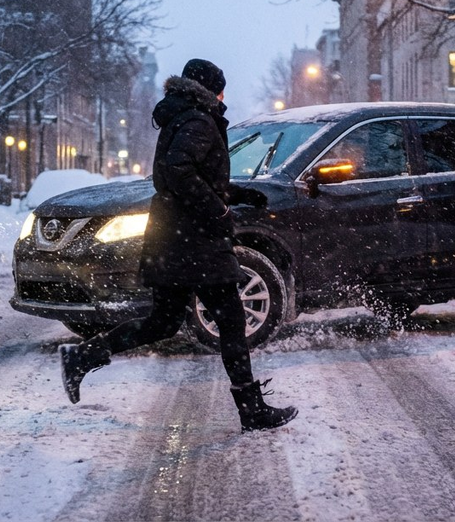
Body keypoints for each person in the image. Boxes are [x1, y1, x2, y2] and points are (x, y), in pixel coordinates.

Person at [58, 58, 298, 432]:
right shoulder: (199, 121)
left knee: (163, 322)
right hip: (195, 241)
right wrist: (217, 209)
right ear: (210, 91)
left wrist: (237, 194)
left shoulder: (183, 117)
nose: (223, 99)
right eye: (221, 91)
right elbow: (177, 172)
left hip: (174, 236)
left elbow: (187, 176)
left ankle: (82, 357)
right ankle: (251, 409)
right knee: (232, 319)